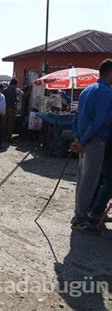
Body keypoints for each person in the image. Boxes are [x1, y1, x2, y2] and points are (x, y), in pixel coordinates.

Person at [70, 59, 112, 235]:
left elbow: (77, 117)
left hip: (84, 140)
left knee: (83, 179)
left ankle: (79, 215)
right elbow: (99, 121)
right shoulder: (106, 92)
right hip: (94, 141)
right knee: (90, 181)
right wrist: (84, 139)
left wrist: (78, 138)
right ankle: (81, 219)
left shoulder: (87, 89)